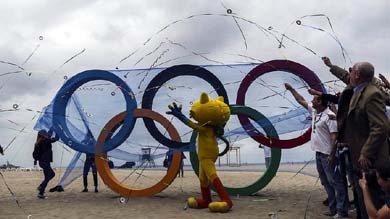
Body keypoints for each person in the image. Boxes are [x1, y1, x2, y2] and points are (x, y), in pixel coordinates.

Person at [322, 57, 390, 219]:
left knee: (373, 197)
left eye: (351, 70)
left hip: (370, 159)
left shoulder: (372, 94)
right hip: (355, 154)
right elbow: (345, 76)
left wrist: (366, 153)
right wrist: (331, 66)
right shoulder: (358, 87)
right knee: (360, 194)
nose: (349, 73)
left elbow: (379, 127)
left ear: (357, 75)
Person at [285, 83, 349, 218]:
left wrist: (332, 154)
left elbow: (334, 137)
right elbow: (301, 100)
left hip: (328, 154)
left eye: (314, 99)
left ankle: (341, 211)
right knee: (326, 182)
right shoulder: (315, 112)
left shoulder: (329, 116)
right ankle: (333, 209)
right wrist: (291, 89)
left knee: (335, 182)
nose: (311, 101)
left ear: (320, 102)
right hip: (319, 153)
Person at [33, 129, 58, 199]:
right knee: (49, 176)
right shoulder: (45, 141)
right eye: (46, 134)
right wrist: (58, 131)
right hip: (45, 162)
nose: (47, 135)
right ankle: (41, 193)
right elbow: (55, 139)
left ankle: (41, 186)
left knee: (49, 175)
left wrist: (53, 127)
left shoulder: (38, 142)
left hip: (43, 162)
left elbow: (36, 153)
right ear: (44, 135)